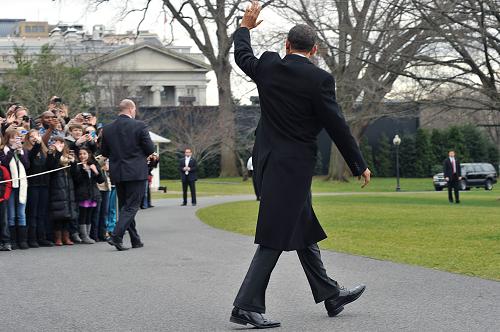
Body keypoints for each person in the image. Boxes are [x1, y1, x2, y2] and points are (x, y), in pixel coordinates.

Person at [229, 2, 371, 328]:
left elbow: (242, 57)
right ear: (315, 49)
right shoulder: (319, 79)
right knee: (275, 236)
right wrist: (357, 163)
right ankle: (245, 306)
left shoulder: (267, 66)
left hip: (268, 166)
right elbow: (337, 125)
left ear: (287, 46)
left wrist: (245, 28)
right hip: (292, 170)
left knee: (303, 230)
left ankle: (330, 294)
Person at [101, 99, 156, 251]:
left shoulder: (108, 128)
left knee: (126, 207)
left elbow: (104, 152)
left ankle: (135, 239)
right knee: (132, 207)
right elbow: (150, 148)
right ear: (131, 109)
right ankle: (116, 236)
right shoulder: (139, 126)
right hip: (136, 172)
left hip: (118, 172)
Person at [0, 128, 30, 250]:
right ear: (8, 139)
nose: (15, 140)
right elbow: (5, 163)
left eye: (17, 137)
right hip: (10, 186)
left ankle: (22, 240)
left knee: (21, 213)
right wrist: (12, 150)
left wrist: (20, 153)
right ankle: (12, 241)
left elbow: (27, 165)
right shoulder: (3, 151)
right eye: (12, 137)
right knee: (11, 215)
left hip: (22, 185)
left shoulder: (23, 151)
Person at [46, 137, 78, 246]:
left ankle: (67, 237)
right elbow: (52, 168)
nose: (59, 144)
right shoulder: (50, 154)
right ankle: (58, 238)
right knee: (58, 214)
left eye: (61, 143)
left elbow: (75, 174)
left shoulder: (68, 155)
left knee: (68, 214)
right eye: (56, 142)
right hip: (56, 186)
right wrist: (58, 152)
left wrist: (73, 163)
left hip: (68, 186)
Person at [25, 129, 53, 247]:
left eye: (36, 136)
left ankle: (42, 237)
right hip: (33, 186)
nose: (34, 138)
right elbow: (30, 159)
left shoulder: (44, 151)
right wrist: (37, 144)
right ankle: (32, 238)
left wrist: (52, 155)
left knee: (42, 213)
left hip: (44, 185)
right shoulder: (26, 151)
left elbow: (50, 167)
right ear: (28, 139)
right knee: (33, 213)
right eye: (31, 136)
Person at [0, 163, 13, 251]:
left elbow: (8, 182)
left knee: (4, 221)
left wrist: (5, 196)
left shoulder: (3, 169)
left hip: (2, 199)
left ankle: (6, 242)